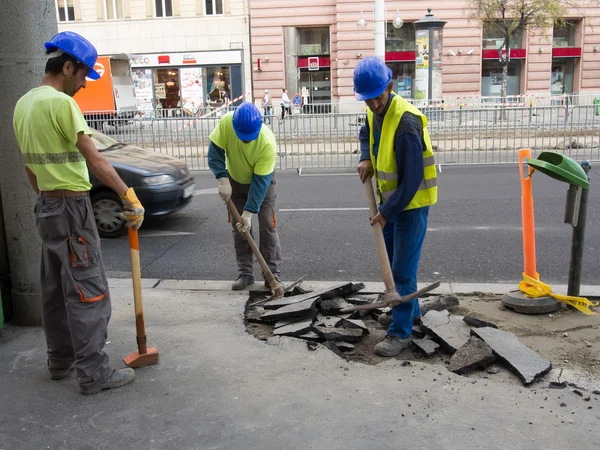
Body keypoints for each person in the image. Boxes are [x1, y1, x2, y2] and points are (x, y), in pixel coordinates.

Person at [12, 31, 145, 394]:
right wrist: (128, 195)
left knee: (54, 288)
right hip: (72, 207)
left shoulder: (23, 104)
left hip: (47, 208)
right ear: (67, 66)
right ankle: (93, 373)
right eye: (83, 74)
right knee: (88, 289)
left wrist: (47, 196)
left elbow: (29, 167)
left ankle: (60, 360)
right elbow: (96, 159)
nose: (84, 84)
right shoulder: (61, 104)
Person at [354, 57, 437, 357]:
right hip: (391, 201)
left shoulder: (407, 124)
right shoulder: (373, 108)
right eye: (367, 99)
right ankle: (408, 312)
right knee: (391, 261)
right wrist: (365, 156)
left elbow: (413, 179)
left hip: (411, 205)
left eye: (377, 97)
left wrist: (386, 213)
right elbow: (367, 132)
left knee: (401, 270)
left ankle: (400, 333)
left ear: (389, 86)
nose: (373, 104)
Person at [208, 103, 283, 291]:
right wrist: (222, 178)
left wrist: (249, 213)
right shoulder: (227, 123)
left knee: (267, 226)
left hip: (262, 184)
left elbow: (260, 183)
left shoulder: (267, 142)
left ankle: (272, 275)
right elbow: (215, 152)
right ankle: (245, 274)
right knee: (239, 228)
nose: (247, 142)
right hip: (234, 181)